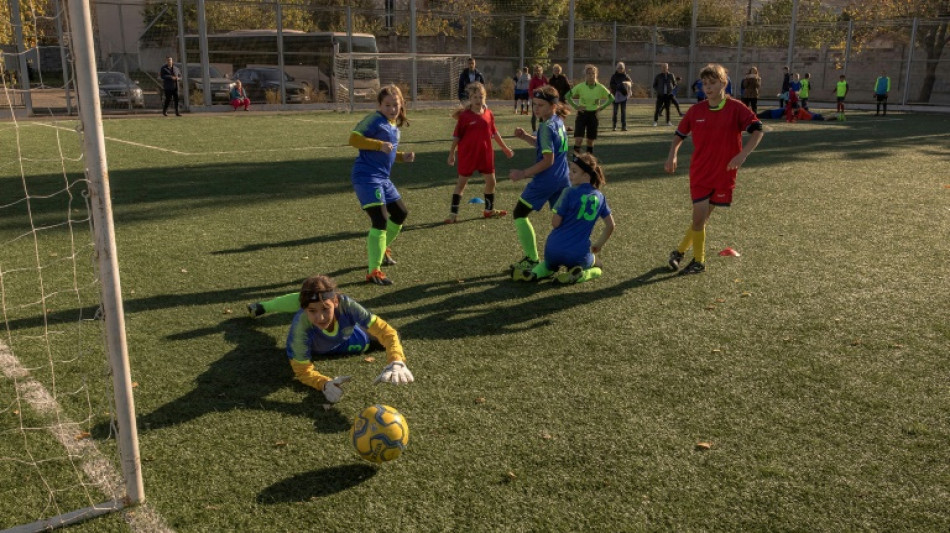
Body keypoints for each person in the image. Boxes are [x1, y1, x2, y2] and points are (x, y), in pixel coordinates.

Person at [245, 274, 413, 404]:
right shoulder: (300, 328)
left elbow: (387, 332)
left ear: (335, 301)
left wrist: (396, 360)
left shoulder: (347, 305)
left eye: (326, 308)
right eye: (312, 311)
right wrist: (324, 383)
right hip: (318, 348)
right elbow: (303, 372)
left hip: (348, 338)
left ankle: (265, 306)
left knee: (392, 337)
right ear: (303, 309)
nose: (321, 317)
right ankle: (264, 306)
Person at [664, 63, 765, 275]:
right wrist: (672, 154)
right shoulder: (696, 111)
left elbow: (758, 130)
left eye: (712, 83)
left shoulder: (736, 108)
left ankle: (679, 252)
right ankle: (698, 262)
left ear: (723, 83)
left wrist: (742, 154)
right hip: (700, 172)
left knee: (701, 220)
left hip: (723, 173)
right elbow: (679, 135)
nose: (707, 87)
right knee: (699, 218)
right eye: (705, 83)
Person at [512, 152, 616, 284]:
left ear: (586, 175)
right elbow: (611, 225)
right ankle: (580, 275)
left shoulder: (568, 192)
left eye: (574, 171)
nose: (569, 174)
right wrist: (598, 245)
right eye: (570, 170)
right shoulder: (600, 197)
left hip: (553, 248)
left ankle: (533, 274)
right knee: (599, 267)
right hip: (578, 253)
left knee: (548, 266)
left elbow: (555, 223)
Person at [349, 85, 414, 286]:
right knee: (380, 218)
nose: (392, 109)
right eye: (387, 105)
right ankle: (373, 272)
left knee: (400, 213)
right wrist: (378, 145)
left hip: (383, 178)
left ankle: (382, 247)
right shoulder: (375, 119)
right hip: (367, 176)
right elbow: (353, 139)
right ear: (379, 105)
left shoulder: (393, 125)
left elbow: (388, 155)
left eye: (395, 104)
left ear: (401, 104)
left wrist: (402, 157)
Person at [507, 85, 572, 273]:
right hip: (563, 178)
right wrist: (527, 137)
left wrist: (523, 173)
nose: (536, 109)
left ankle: (532, 259)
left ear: (553, 106)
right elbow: (546, 146)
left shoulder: (545, 127)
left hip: (546, 180)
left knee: (519, 213)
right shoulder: (557, 121)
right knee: (562, 220)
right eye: (534, 104)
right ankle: (572, 255)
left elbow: (548, 160)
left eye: (541, 105)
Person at [445, 82, 515, 223]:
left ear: (485, 98)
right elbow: (457, 136)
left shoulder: (489, 114)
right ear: (470, 99)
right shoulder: (465, 116)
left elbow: (494, 133)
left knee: (491, 182)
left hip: (485, 154)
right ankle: (453, 214)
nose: (478, 100)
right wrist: (452, 153)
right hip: (468, 155)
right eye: (475, 97)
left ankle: (488, 211)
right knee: (461, 184)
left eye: (481, 97)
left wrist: (505, 148)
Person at [565, 64, 613, 154]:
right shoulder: (580, 86)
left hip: (593, 115)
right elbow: (567, 96)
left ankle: (589, 161)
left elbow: (611, 98)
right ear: (585, 75)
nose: (591, 75)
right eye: (588, 73)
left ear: (596, 75)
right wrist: (576, 106)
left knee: (590, 141)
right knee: (578, 140)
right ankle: (576, 160)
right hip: (582, 114)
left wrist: (602, 107)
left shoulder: (600, 87)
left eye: (593, 73)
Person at [608, 62, 633, 131]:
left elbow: (630, 84)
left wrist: (627, 85)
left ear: (624, 68)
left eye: (621, 68)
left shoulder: (626, 76)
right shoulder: (613, 76)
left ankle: (624, 126)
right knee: (615, 112)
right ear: (616, 68)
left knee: (623, 112)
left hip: (623, 96)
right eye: (619, 67)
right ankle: (614, 126)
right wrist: (618, 87)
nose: (620, 69)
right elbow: (611, 85)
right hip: (615, 95)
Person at [528, 65, 549, 131]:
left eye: (539, 71)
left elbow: (548, 88)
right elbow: (530, 90)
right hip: (536, 100)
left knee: (542, 115)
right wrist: (534, 98)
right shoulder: (533, 80)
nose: (537, 72)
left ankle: (541, 129)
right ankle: (534, 130)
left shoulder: (544, 79)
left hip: (543, 100)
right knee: (534, 115)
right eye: (536, 71)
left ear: (542, 71)